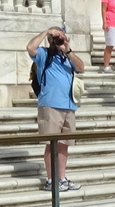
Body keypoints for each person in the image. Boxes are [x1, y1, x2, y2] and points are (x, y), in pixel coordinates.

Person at [26, 27, 84, 192]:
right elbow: (30, 48)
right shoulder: (44, 55)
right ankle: (51, 180)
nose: (59, 39)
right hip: (50, 104)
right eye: (56, 37)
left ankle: (62, 178)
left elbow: (81, 67)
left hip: (69, 105)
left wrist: (68, 50)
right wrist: (46, 32)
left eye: (62, 36)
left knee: (64, 144)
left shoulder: (67, 56)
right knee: (52, 144)